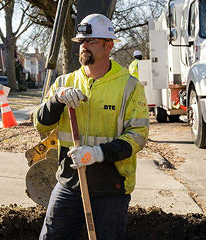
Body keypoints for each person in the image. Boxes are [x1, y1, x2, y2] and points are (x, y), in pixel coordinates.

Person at [33, 13, 149, 240]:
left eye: (91, 41)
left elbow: (137, 136)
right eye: (81, 42)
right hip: (69, 182)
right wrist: (57, 100)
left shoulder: (129, 86)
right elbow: (40, 124)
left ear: (109, 45)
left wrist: (97, 153)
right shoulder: (64, 83)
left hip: (111, 187)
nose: (84, 46)